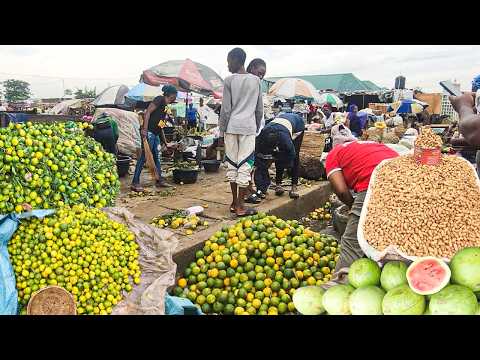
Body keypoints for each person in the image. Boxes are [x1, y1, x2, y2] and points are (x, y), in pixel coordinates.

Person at [326, 135, 400, 272]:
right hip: (406, 180)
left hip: (376, 183)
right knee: (394, 236)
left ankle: (339, 285)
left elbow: (341, 190)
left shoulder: (333, 154)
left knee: (351, 243)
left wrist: (351, 205)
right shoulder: (371, 145)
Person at [218, 48, 263, 217]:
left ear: (237, 60)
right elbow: (259, 109)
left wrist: (221, 132)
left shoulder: (229, 81)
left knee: (232, 165)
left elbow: (226, 110)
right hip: (248, 127)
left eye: (229, 61)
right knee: (245, 165)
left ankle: (234, 203)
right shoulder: (256, 81)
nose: (228, 64)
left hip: (231, 127)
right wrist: (256, 126)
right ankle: (240, 206)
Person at [131, 84, 177, 192]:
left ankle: (159, 179)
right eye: (175, 95)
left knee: (156, 158)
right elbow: (147, 113)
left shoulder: (166, 108)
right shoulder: (159, 99)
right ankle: (135, 182)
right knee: (143, 157)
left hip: (155, 134)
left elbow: (161, 127)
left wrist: (166, 143)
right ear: (171, 94)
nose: (175, 97)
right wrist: (145, 130)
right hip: (149, 133)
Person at [254, 112, 305, 199]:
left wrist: (288, 166)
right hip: (280, 122)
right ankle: (278, 184)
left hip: (297, 125)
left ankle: (294, 186)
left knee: (293, 156)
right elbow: (258, 156)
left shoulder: (284, 138)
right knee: (278, 155)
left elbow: (291, 153)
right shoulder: (261, 135)